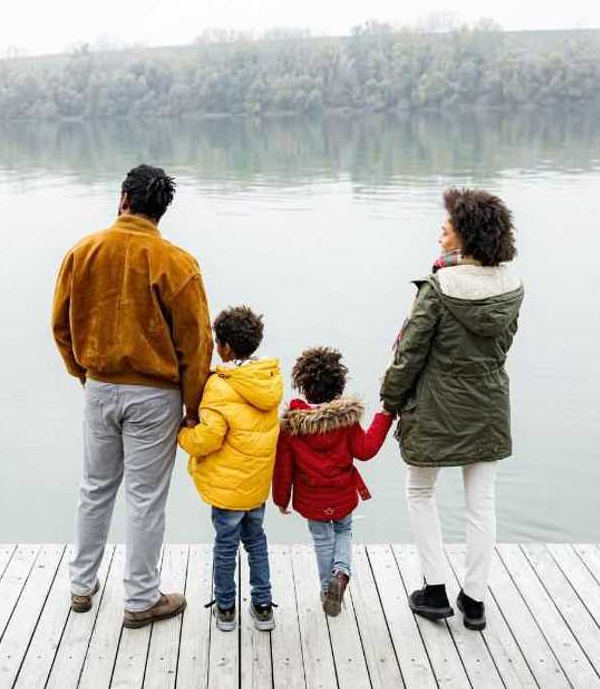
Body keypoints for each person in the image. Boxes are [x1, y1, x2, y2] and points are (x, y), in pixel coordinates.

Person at [51, 164, 213, 629]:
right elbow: (196, 341)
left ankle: (81, 587)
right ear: (161, 210)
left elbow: (60, 325)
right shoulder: (177, 263)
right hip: (155, 396)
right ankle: (141, 599)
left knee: (94, 487)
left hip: (100, 387)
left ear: (123, 198)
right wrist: (193, 404)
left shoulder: (83, 252)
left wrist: (82, 372)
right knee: (145, 498)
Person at [381, 187, 523, 631]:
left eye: (451, 222)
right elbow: (502, 345)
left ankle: (435, 589)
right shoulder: (512, 287)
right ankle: (475, 601)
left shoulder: (439, 288)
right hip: (488, 407)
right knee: (482, 505)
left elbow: (411, 355)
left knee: (421, 492)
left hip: (437, 408)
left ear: (468, 236)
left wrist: (389, 400)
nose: (442, 226)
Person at [178, 306, 283, 632]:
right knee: (257, 542)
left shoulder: (220, 385)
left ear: (223, 347)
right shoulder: (268, 380)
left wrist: (183, 433)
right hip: (255, 486)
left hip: (227, 490)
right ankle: (263, 606)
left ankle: (225, 609)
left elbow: (209, 438)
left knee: (225, 547)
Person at [273, 347, 394, 616]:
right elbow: (366, 449)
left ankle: (327, 588)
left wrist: (281, 499)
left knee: (322, 539)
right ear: (339, 386)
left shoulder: (293, 426)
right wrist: (384, 417)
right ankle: (341, 575)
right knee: (343, 530)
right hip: (342, 495)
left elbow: (283, 467)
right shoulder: (346, 421)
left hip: (311, 499)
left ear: (303, 386)